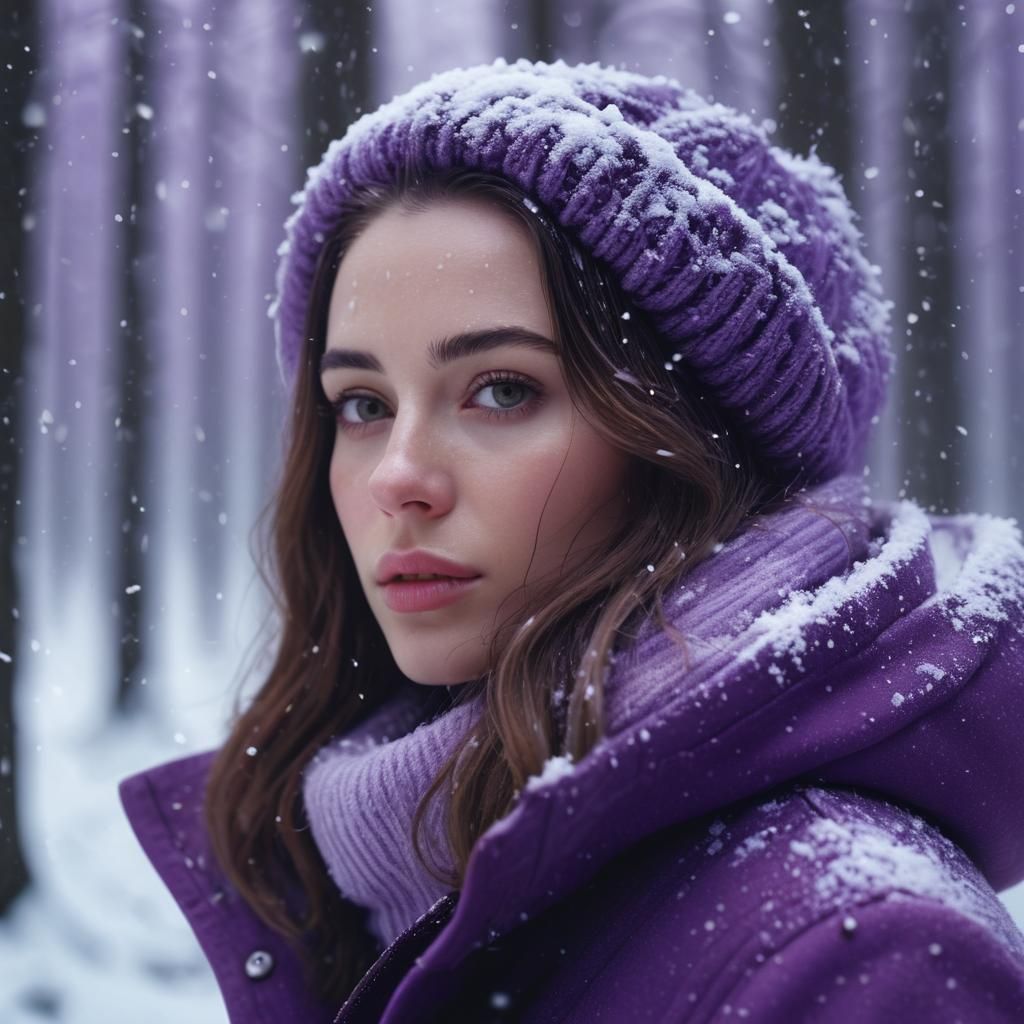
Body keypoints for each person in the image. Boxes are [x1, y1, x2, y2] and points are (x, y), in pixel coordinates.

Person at [119, 57, 1024, 1022]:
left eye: (503, 389)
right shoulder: (387, 863)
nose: (396, 476)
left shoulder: (856, 959)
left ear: (702, 443)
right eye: (363, 403)